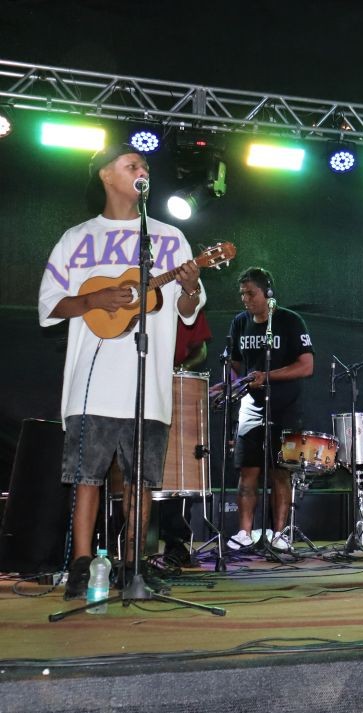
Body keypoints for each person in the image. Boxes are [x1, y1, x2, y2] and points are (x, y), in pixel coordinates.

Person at [38, 143, 204, 599]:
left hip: (146, 387)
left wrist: (188, 286)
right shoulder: (77, 238)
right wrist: (94, 300)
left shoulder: (170, 238)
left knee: (141, 481)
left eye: (145, 165)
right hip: (90, 387)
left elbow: (188, 310)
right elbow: (49, 306)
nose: (142, 170)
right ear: (107, 177)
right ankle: (80, 563)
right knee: (86, 478)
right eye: (132, 165)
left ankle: (134, 566)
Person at [226, 267, 314, 552]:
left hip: (284, 408)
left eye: (250, 293)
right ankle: (244, 532)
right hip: (250, 409)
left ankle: (279, 534)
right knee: (247, 472)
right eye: (242, 294)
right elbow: (234, 364)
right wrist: (234, 384)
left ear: (268, 294)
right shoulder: (239, 323)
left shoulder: (289, 321)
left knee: (280, 473)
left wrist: (268, 375)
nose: (245, 299)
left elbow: (306, 365)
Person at [156, 310, 214, 566]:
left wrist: (180, 369)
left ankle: (175, 543)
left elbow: (200, 349)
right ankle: (118, 542)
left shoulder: (186, 306)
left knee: (178, 470)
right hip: (135, 386)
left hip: (174, 387)